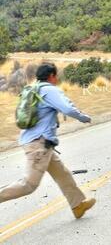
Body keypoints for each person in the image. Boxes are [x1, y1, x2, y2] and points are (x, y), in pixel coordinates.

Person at [0, 63, 96, 219]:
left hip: (41, 143)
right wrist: (84, 117)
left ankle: (78, 205)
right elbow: (67, 109)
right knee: (29, 184)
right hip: (39, 145)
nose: (56, 78)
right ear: (52, 76)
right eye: (55, 75)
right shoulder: (50, 90)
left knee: (62, 174)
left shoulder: (34, 88)